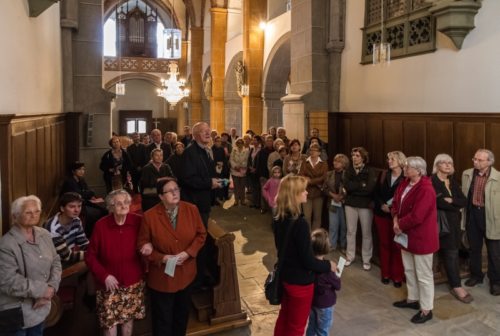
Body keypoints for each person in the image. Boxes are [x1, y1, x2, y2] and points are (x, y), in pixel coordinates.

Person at [137, 179, 207, 336]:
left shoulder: (191, 209)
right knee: (163, 320)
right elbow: (142, 245)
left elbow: (201, 234)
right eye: (170, 191)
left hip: (186, 274)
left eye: (177, 189)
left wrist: (188, 252)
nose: (175, 192)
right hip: (162, 278)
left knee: (181, 318)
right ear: (161, 196)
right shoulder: (150, 216)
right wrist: (162, 258)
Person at [273, 175, 337, 336]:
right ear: (294, 194)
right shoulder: (300, 223)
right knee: (296, 326)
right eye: (303, 190)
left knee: (284, 318)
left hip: (286, 276)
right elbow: (308, 261)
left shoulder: (279, 217)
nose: (307, 193)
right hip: (299, 283)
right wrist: (329, 265)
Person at [85, 190, 145, 336]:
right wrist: (104, 276)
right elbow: (90, 256)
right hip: (108, 285)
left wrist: (147, 245)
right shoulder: (101, 225)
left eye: (126, 202)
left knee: (127, 320)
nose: (123, 205)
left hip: (132, 282)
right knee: (109, 323)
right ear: (111, 207)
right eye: (119, 203)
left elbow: (147, 241)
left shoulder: (137, 221)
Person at [0, 195, 62, 335]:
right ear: (15, 216)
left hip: (40, 307)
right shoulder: (6, 244)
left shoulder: (44, 234)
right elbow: (8, 281)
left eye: (37, 211)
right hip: (15, 311)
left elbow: (56, 262)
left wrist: (51, 288)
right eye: (28, 212)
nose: (33, 215)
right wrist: (43, 291)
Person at [392, 156, 438, 324]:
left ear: (419, 170)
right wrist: (395, 218)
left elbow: (418, 216)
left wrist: (399, 225)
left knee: (424, 275)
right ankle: (413, 299)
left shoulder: (426, 189)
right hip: (405, 235)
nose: (404, 168)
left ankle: (426, 309)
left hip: (421, 237)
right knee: (409, 270)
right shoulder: (405, 182)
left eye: (408, 167)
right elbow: (396, 201)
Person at [431, 153, 472, 303]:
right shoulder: (432, 181)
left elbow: (464, 201)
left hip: (453, 225)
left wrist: (452, 200)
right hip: (436, 224)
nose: (448, 165)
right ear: (437, 165)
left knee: (452, 254)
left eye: (450, 162)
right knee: (431, 257)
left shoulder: (452, 182)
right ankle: (425, 287)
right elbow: (437, 202)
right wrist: (455, 205)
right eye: (444, 162)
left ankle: (456, 286)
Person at [462, 149, 500, 296]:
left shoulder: (498, 177)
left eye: (479, 160)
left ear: (489, 162)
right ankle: (476, 276)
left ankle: (496, 282)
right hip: (473, 215)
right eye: (474, 159)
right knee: (474, 249)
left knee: (494, 253)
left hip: (491, 217)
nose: (475, 161)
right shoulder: (467, 174)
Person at [373, 151, 406, 287]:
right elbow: (375, 192)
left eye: (392, 159)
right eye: (388, 159)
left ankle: (397, 276)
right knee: (384, 244)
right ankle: (385, 274)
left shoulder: (406, 177)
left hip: (397, 217)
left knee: (397, 246)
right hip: (381, 214)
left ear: (400, 161)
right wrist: (382, 205)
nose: (389, 161)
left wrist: (391, 207)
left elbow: (406, 196)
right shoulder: (383, 174)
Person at [343, 147, 377, 270]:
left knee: (366, 233)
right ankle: (350, 256)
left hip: (365, 205)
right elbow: (347, 185)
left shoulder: (369, 170)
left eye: (357, 155)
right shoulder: (348, 170)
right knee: (351, 232)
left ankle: (366, 259)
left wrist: (354, 188)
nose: (354, 157)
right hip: (350, 204)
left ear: (363, 158)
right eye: (353, 155)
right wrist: (360, 185)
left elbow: (369, 189)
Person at [305, 229, 341, 336]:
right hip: (325, 305)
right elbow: (338, 285)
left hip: (313, 302)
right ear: (325, 248)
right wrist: (337, 276)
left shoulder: (310, 265)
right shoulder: (327, 270)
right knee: (323, 330)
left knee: (311, 326)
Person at [61, 161, 107, 237]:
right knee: (94, 213)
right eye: (79, 169)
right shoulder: (69, 181)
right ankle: (89, 234)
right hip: (75, 204)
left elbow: (87, 191)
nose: (82, 171)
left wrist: (93, 198)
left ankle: (100, 232)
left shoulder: (81, 179)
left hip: (84, 201)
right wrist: (90, 197)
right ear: (73, 171)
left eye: (83, 169)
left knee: (104, 209)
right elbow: (78, 195)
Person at [44, 192, 88, 266]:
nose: (77, 210)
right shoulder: (54, 228)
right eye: (72, 207)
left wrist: (95, 251)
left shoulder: (76, 220)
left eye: (79, 206)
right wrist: (91, 254)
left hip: (67, 256)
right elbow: (66, 256)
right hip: (52, 264)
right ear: (62, 208)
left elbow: (83, 243)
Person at [322, 154, 349, 252]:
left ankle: (343, 245)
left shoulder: (347, 174)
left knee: (344, 226)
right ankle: (332, 245)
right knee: (333, 225)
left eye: (338, 161)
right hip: (332, 202)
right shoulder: (329, 174)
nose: (335, 163)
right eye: (334, 161)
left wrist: (341, 197)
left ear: (344, 164)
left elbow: (350, 189)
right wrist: (333, 196)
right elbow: (324, 188)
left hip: (344, 203)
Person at [299, 143, 328, 230]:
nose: (312, 152)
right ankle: (307, 236)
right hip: (306, 193)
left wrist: (310, 180)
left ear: (319, 152)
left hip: (318, 193)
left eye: (315, 150)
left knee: (317, 217)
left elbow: (324, 177)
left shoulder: (324, 163)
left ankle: (315, 236)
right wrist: (313, 180)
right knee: (307, 216)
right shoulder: (305, 161)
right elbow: (301, 175)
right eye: (311, 150)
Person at [230, 138, 249, 206]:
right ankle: (236, 200)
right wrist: (235, 166)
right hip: (235, 170)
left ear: (243, 143)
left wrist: (241, 166)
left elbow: (247, 160)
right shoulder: (234, 150)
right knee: (236, 186)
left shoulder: (246, 150)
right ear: (236, 143)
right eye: (238, 143)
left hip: (243, 170)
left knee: (242, 186)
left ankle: (243, 200)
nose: (240, 144)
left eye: (241, 143)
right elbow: (231, 159)